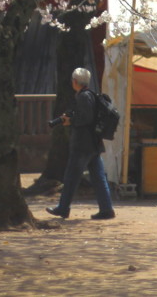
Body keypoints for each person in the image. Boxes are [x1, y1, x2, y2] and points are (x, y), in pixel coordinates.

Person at [46, 67, 116, 220]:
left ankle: (63, 208)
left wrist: (70, 121)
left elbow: (86, 118)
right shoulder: (90, 95)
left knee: (71, 177)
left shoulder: (83, 97)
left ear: (75, 81)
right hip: (93, 144)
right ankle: (106, 209)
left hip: (82, 145)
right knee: (98, 177)